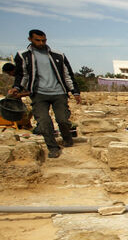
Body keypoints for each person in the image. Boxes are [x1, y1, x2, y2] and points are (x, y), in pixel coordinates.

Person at [7, 29, 81, 158]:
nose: (41, 43)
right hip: (39, 93)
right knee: (44, 122)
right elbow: (22, 75)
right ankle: (53, 147)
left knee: (63, 119)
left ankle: (67, 139)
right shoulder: (23, 55)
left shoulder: (57, 55)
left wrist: (75, 92)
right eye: (38, 40)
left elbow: (67, 74)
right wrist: (17, 88)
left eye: (44, 40)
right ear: (30, 39)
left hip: (59, 92)